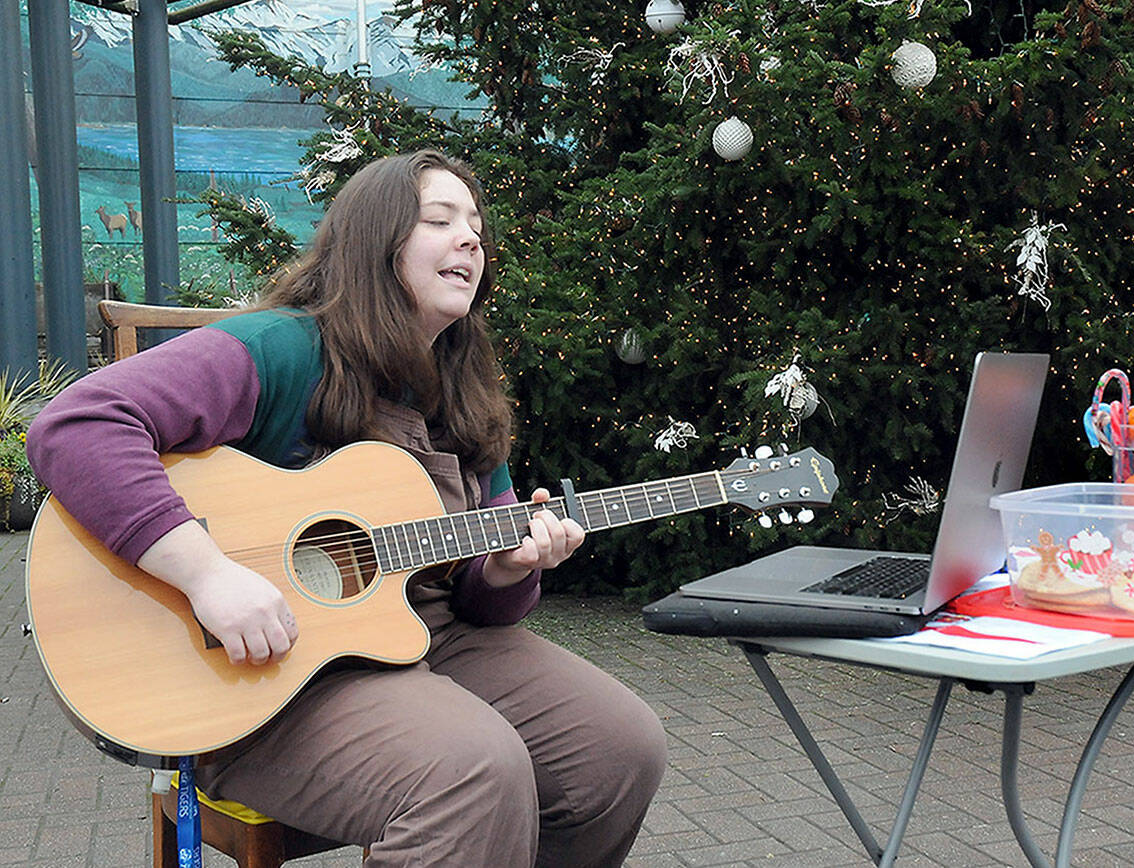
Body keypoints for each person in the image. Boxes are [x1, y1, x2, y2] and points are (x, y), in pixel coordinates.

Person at [27, 150, 667, 866]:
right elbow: (77, 424)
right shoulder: (284, 348)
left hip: (425, 639)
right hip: (263, 675)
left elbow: (487, 607)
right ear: (374, 240)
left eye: (477, 230)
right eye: (439, 220)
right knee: (470, 769)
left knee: (620, 747)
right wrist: (207, 574)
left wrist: (512, 569)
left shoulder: (467, 387)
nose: (470, 241)